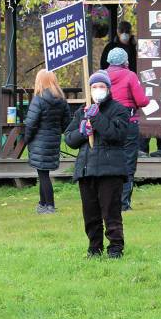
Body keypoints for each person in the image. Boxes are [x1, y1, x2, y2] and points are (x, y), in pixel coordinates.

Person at [64, 71, 130, 258]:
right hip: (87, 169)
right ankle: (94, 248)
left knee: (111, 212)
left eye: (101, 87)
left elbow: (116, 135)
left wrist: (97, 119)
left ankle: (115, 248)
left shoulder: (119, 110)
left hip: (110, 169)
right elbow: (69, 139)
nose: (98, 90)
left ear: (108, 89)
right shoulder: (81, 111)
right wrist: (82, 132)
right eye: (94, 87)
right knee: (90, 215)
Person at [106, 47, 149, 212]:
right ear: (125, 61)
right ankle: (124, 203)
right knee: (128, 161)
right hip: (128, 121)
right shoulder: (130, 75)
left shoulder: (102, 75)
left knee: (109, 160)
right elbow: (141, 100)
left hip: (107, 123)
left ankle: (109, 200)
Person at [23, 70, 70, 214]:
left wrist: (26, 139)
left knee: (43, 175)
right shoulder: (61, 100)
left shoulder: (38, 99)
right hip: (53, 139)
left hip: (39, 141)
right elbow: (67, 122)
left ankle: (49, 205)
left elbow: (31, 124)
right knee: (43, 173)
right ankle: (42, 203)